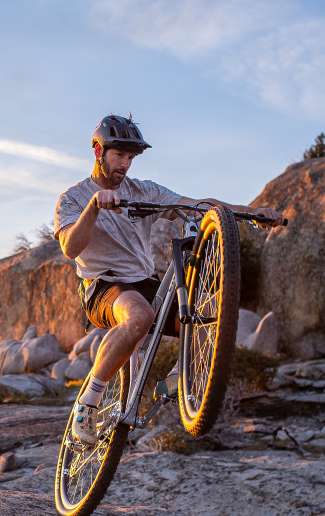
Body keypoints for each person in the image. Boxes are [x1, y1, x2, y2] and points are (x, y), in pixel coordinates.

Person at [53, 114, 286, 444]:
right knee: (140, 316)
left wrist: (250, 212)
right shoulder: (73, 198)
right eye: (118, 155)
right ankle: (88, 403)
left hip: (145, 281)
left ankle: (174, 383)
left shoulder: (144, 190)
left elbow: (198, 205)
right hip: (103, 285)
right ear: (98, 152)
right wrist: (94, 207)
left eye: (130, 158)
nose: (124, 165)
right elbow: (70, 247)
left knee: (207, 325)